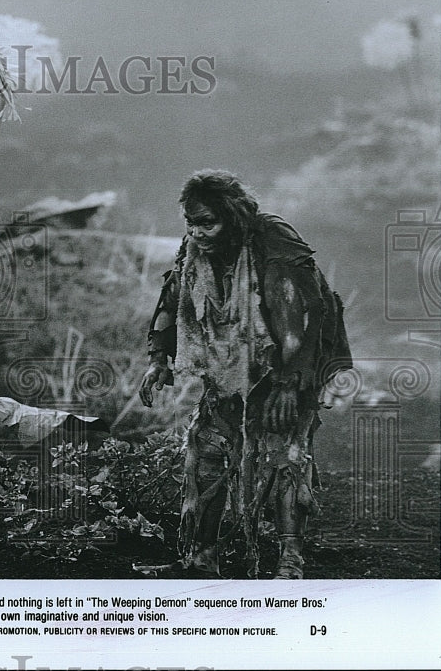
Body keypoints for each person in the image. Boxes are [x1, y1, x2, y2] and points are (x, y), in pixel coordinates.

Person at [138, 170, 351, 579]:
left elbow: (305, 316)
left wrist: (290, 386)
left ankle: (290, 562)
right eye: (191, 222)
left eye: (207, 222)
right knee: (208, 449)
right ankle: (201, 558)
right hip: (230, 362)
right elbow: (174, 294)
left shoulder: (274, 241)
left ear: (232, 216)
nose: (197, 232)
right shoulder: (196, 248)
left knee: (285, 453)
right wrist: (158, 358)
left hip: (292, 360)